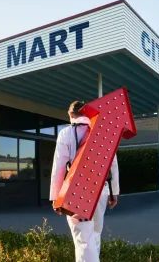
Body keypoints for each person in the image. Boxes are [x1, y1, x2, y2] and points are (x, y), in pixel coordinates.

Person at [50, 100, 120, 262]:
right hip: (101, 191)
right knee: (95, 234)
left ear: (70, 114)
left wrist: (56, 198)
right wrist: (114, 192)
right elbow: (113, 164)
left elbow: (59, 166)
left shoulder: (66, 134)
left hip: (76, 193)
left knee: (83, 239)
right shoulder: (101, 133)